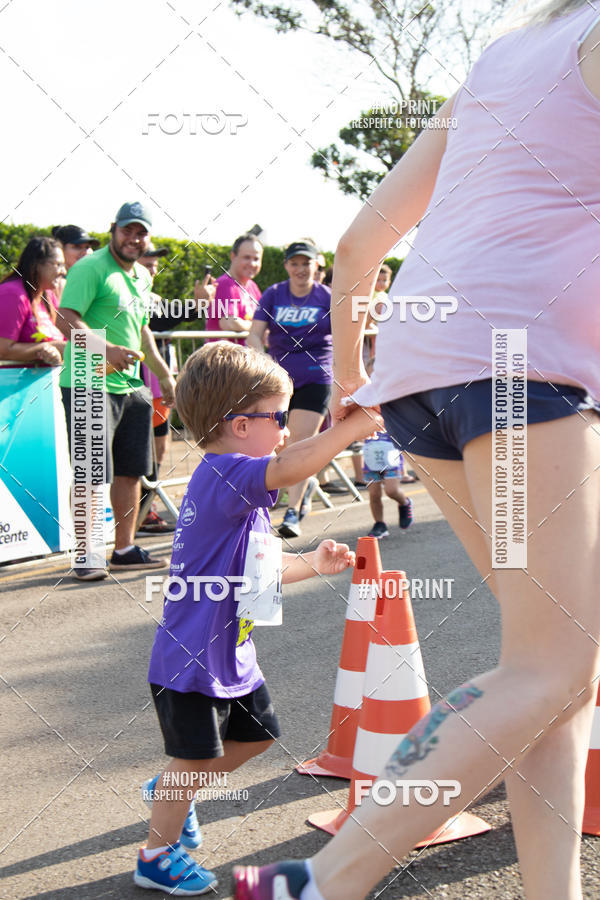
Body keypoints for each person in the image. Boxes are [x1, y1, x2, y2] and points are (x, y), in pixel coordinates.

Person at [233, 3, 600, 899]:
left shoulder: (509, 54)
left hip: (425, 371)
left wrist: (356, 378)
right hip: (519, 368)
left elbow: (361, 242)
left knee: (550, 675)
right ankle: (320, 882)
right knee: (555, 666)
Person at [134, 341, 381, 895]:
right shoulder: (226, 473)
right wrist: (349, 429)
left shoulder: (238, 489)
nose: (287, 430)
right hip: (191, 660)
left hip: (231, 654)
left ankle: (171, 790)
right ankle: (154, 854)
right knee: (192, 760)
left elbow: (258, 569)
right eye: (279, 417)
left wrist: (313, 563)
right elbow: (296, 465)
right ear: (240, 425)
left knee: (258, 738)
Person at [58, 201, 176, 580]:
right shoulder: (89, 268)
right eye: (128, 230)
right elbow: (65, 317)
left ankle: (123, 549)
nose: (134, 238)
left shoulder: (142, 276)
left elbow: (142, 330)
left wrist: (165, 374)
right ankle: (87, 555)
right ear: (114, 229)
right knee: (92, 472)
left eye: (141, 232)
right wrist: (104, 348)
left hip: (131, 385)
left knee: (130, 471)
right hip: (88, 379)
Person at [247, 240, 333, 537]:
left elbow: (347, 336)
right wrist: (266, 362)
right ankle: (305, 482)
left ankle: (292, 512)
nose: (300, 269)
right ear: (286, 266)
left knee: (298, 442)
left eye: (306, 263)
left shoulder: (327, 297)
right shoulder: (273, 294)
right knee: (278, 443)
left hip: (315, 376)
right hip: (280, 380)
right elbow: (254, 335)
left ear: (316, 265)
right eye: (294, 263)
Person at [137, 243, 216, 533]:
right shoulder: (129, 294)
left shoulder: (154, 295)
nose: (154, 266)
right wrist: (194, 305)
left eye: (156, 262)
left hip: (159, 385)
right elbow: (160, 319)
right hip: (137, 384)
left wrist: (197, 305)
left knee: (158, 447)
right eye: (147, 261)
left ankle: (146, 509)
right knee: (142, 449)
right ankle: (138, 512)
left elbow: (168, 314)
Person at [0, 236, 66, 367]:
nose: (63, 271)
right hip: (12, 384)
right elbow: (2, 350)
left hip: (43, 383)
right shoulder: (13, 294)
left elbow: (63, 342)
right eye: (58, 265)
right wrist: (46, 348)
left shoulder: (47, 295)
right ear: (36, 264)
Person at [207, 233, 263, 343]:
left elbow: (262, 320)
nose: (252, 263)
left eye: (256, 259)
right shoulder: (224, 284)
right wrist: (257, 328)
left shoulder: (253, 287)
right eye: (246, 257)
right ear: (233, 256)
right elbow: (228, 322)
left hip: (244, 357)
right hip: (223, 358)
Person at [362, 431, 413, 538]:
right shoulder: (363, 416)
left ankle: (404, 502)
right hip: (371, 457)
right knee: (374, 494)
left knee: (391, 491)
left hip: (391, 456)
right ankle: (380, 524)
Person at [51, 224, 99, 299]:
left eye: (87, 247)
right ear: (60, 250)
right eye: (77, 247)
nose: (85, 252)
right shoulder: (51, 284)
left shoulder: (95, 281)